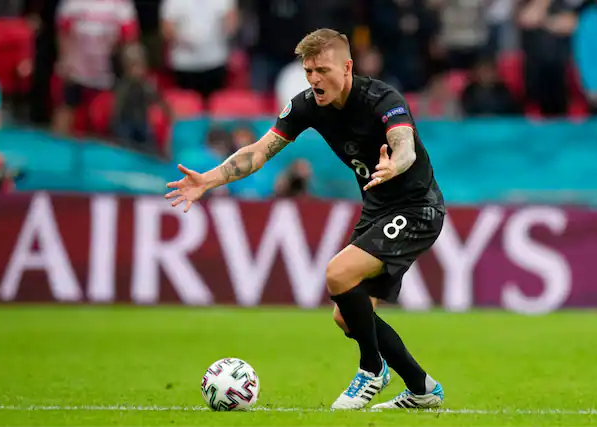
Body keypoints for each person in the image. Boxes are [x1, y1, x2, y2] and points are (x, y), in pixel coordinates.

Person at [165, 28, 446, 410]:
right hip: (379, 208)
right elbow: (260, 152)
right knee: (347, 317)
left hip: (417, 208)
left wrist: (394, 164)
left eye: (322, 70)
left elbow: (404, 147)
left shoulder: (383, 99)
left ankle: (371, 369)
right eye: (308, 70)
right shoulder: (306, 106)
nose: (314, 79)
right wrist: (209, 180)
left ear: (347, 67)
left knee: (338, 274)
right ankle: (422, 388)